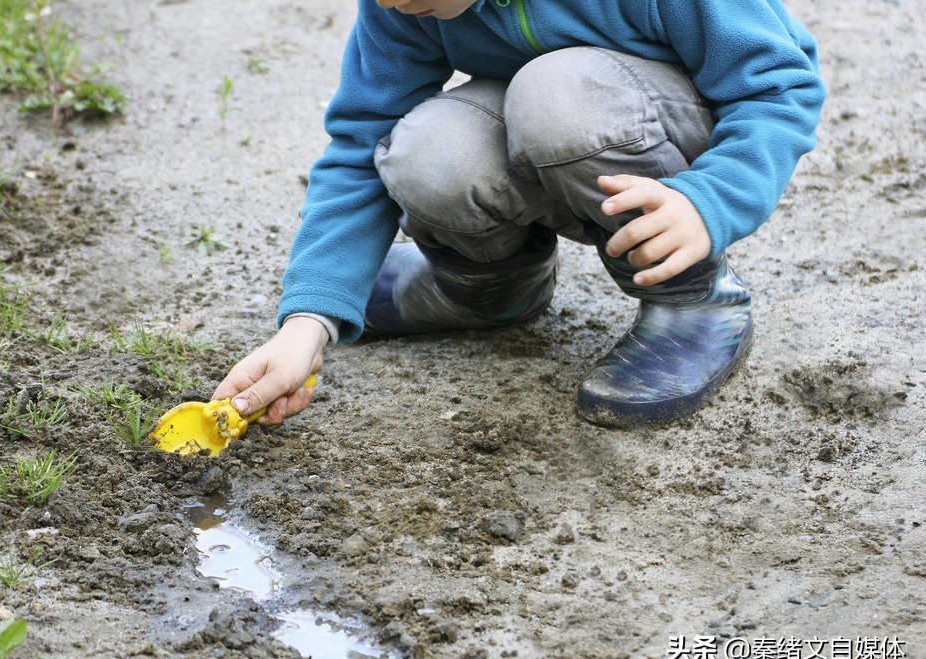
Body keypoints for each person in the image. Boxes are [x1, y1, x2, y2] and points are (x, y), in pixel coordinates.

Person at [212, 0, 826, 427]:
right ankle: (486, 287)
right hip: (551, 119)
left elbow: (780, 86)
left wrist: (711, 199)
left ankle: (693, 298)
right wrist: (308, 323)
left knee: (557, 94)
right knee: (426, 149)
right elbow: (357, 142)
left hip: (664, 136)